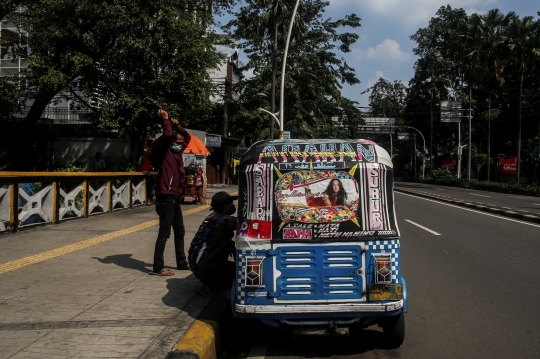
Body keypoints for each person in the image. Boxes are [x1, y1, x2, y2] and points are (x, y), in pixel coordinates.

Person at [149, 109, 191, 276]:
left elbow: (187, 138)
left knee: (179, 231)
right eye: (177, 142)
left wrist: (178, 125)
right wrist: (165, 121)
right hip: (165, 196)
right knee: (164, 233)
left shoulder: (177, 154)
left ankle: (181, 262)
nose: (180, 144)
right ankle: (158, 267)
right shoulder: (165, 152)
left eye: (180, 143)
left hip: (174, 198)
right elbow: (167, 137)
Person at [188, 191, 237, 294]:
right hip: (206, 269)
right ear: (226, 206)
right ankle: (212, 285)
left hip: (196, 265)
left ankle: (209, 282)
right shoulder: (224, 220)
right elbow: (249, 223)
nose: (233, 206)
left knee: (229, 244)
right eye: (231, 203)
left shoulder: (211, 217)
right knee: (246, 273)